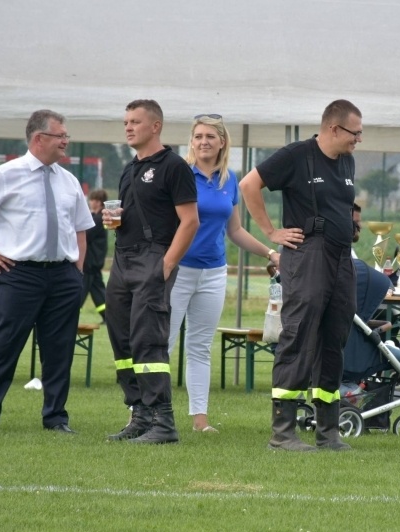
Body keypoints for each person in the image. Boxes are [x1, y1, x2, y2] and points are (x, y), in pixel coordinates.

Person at [0, 109, 94, 435]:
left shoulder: (69, 180)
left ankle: (56, 418)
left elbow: (81, 227)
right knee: (5, 345)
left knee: (59, 349)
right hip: (20, 274)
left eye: (66, 135)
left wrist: (78, 269)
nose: (66, 141)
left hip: (63, 276)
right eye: (61, 135)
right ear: (39, 138)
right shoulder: (5, 174)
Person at [240, 99, 361, 452]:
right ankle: (283, 433)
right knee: (299, 335)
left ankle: (328, 432)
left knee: (335, 338)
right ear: (334, 128)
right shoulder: (297, 155)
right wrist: (271, 232)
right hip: (308, 255)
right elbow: (249, 185)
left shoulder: (347, 160)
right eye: (355, 133)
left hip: (341, 258)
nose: (358, 140)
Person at [167, 114, 279, 434]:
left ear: (222, 143)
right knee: (162, 344)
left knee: (200, 348)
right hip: (178, 271)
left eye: (210, 137)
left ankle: (200, 421)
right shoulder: (179, 175)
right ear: (192, 141)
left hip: (214, 274)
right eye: (198, 136)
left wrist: (270, 253)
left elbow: (236, 230)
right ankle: (145, 413)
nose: (203, 141)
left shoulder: (229, 180)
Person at [104, 100, 199, 444]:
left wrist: (166, 265)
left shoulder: (174, 166)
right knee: (122, 339)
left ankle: (164, 422)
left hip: (154, 258)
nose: (128, 127)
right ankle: (139, 415)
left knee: (148, 339)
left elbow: (190, 221)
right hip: (123, 259)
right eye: (125, 121)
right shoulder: (129, 169)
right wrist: (114, 222)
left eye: (135, 121)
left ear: (155, 126)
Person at [82, 189, 109, 323]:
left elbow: (85, 234)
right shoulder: (97, 218)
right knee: (98, 291)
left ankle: (70, 314)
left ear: (99, 203)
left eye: (94, 200)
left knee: (80, 289)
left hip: (89, 262)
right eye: (91, 200)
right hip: (94, 262)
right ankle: (108, 317)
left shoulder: (97, 219)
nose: (91, 202)